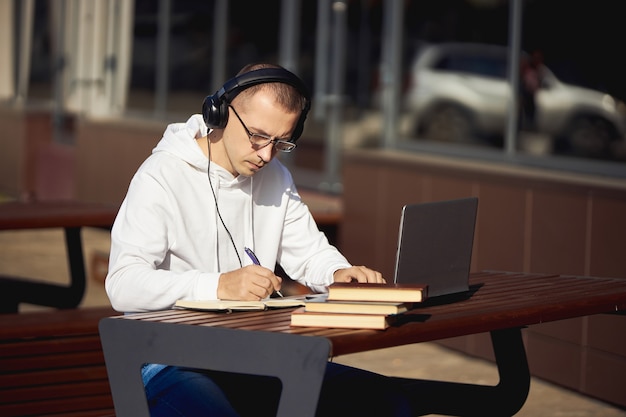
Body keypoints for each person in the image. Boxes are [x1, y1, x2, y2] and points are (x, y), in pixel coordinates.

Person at [105, 63, 415, 416]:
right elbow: (123, 284)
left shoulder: (277, 178)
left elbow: (311, 253)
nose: (266, 155)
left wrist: (338, 274)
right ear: (220, 112)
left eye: (281, 142)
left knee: (386, 401)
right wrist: (219, 285)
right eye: (257, 135)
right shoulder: (160, 175)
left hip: (254, 355)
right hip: (167, 358)